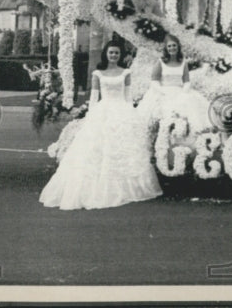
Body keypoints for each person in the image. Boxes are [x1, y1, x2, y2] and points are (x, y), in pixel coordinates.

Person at [40, 40, 162, 210]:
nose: (113, 55)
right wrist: (92, 114)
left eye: (117, 53)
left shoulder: (126, 72)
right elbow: (95, 97)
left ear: (120, 55)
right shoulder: (98, 73)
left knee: (124, 149)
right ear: (106, 53)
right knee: (96, 149)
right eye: (111, 52)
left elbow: (127, 96)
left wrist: (130, 114)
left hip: (122, 110)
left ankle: (126, 187)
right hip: (103, 111)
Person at [139, 34, 214, 143]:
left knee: (190, 109)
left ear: (178, 47)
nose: (172, 48)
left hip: (180, 91)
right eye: (169, 46)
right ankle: (159, 141)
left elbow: (186, 81)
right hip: (163, 91)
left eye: (174, 46)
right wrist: (163, 91)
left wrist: (184, 91)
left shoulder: (183, 63)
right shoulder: (160, 62)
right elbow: (154, 81)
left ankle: (185, 141)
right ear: (166, 48)